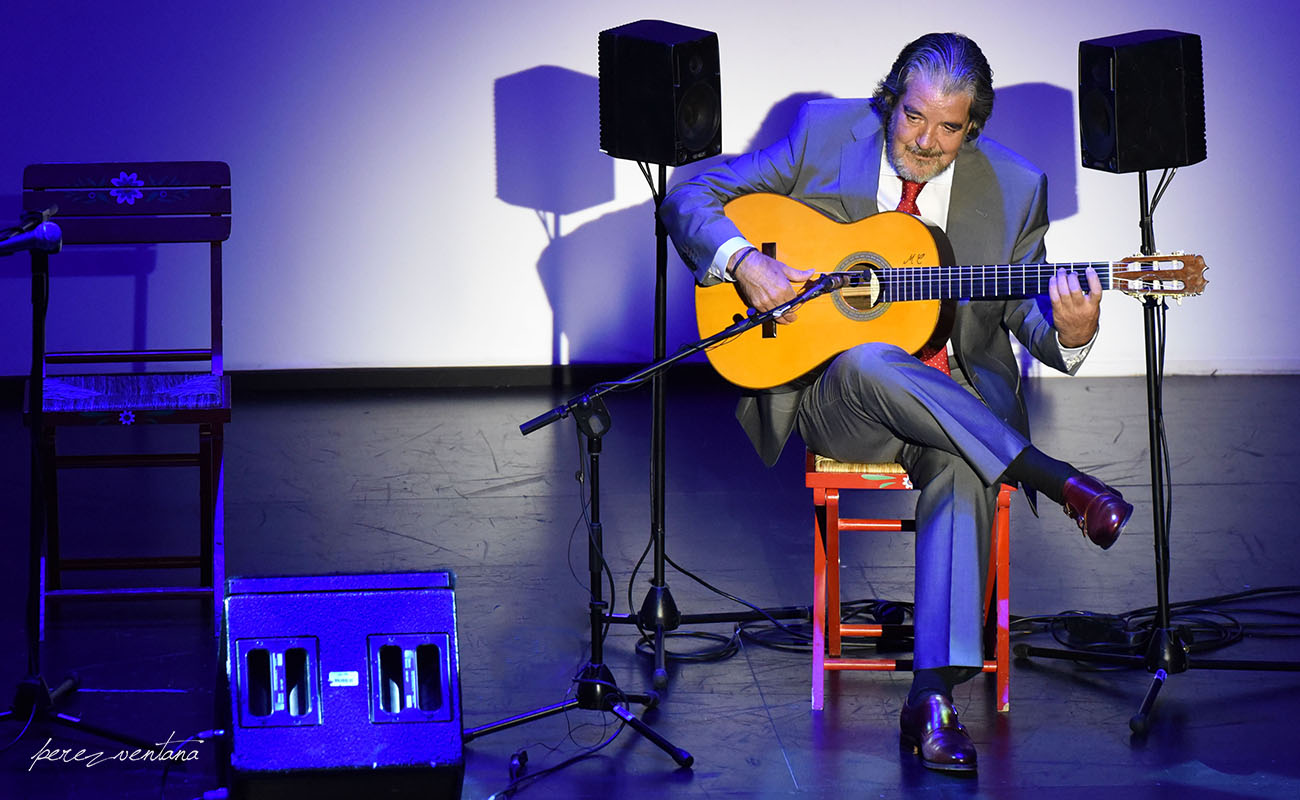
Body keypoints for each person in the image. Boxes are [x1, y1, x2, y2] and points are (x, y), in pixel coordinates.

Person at [659, 32, 1132, 774]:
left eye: (950, 128)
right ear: (891, 98)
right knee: (872, 355)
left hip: (954, 416)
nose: (926, 141)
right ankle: (1049, 475)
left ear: (973, 128)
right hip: (834, 398)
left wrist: (1076, 328)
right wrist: (744, 259)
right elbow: (690, 193)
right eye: (914, 117)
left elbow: (1028, 318)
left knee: (960, 461)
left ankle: (932, 698)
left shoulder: (1013, 187)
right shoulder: (823, 133)